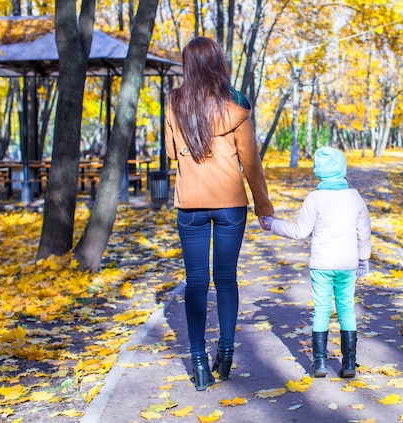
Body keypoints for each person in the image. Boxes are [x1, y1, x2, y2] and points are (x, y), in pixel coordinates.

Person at [165, 36, 275, 391]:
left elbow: (170, 152)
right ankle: (224, 355)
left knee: (196, 282)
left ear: (188, 65)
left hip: (190, 205)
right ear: (218, 62)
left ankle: (199, 363)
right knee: (225, 278)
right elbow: (251, 163)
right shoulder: (237, 103)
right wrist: (263, 205)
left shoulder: (174, 101)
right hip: (230, 204)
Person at [261, 146, 371, 378]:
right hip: (347, 263)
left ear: (318, 172)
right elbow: (364, 232)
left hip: (321, 264)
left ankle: (319, 364)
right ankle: (349, 363)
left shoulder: (315, 198)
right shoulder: (354, 197)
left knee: (321, 310)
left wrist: (272, 224)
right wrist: (364, 258)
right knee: (346, 309)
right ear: (342, 169)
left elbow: (300, 231)